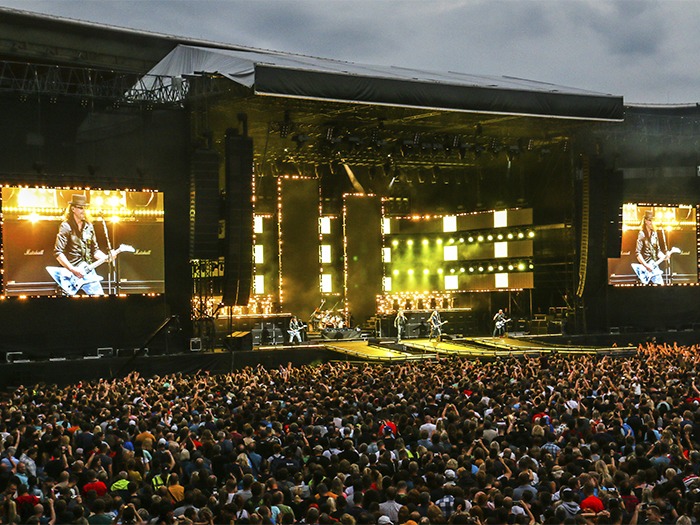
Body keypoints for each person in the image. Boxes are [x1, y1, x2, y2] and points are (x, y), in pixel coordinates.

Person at [53, 194, 114, 295]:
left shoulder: (89, 226)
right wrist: (72, 269)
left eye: (85, 208)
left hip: (87, 270)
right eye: (80, 208)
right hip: (70, 273)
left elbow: (95, 250)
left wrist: (107, 257)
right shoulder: (66, 226)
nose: (84, 210)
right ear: (73, 209)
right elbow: (58, 252)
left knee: (99, 297)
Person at [634, 210, 672, 285]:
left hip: (654, 265)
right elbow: (637, 253)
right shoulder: (642, 234)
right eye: (649, 220)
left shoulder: (654, 234)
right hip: (645, 266)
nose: (651, 222)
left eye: (652, 220)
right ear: (645, 221)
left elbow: (658, 251)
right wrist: (646, 266)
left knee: (661, 286)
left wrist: (665, 257)